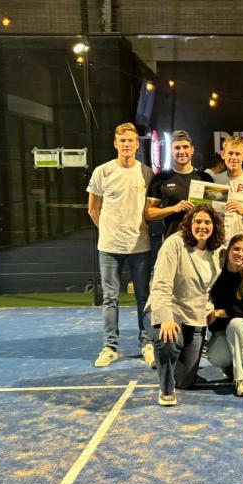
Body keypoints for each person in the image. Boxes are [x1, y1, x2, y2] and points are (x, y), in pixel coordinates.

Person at [87, 122, 154, 368]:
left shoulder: (146, 173)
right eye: (122, 141)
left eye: (131, 141)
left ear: (137, 144)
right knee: (110, 299)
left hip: (140, 246)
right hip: (109, 247)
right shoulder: (102, 172)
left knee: (143, 298)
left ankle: (146, 344)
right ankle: (110, 347)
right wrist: (107, 231)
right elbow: (93, 209)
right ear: (116, 144)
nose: (127, 145)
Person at [146, 204, 225, 406]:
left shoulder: (216, 249)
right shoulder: (175, 243)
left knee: (185, 381)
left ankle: (167, 359)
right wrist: (165, 319)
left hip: (195, 316)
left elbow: (239, 257)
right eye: (197, 221)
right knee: (168, 341)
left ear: (214, 226)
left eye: (207, 222)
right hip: (170, 307)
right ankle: (166, 390)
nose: (202, 226)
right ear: (189, 224)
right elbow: (161, 284)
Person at [205, 234, 243, 396]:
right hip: (225, 326)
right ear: (229, 250)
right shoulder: (217, 273)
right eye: (236, 249)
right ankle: (231, 364)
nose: (240, 253)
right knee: (217, 357)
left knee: (237, 324)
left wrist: (220, 312)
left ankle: (242, 379)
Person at [145, 130, 213, 240]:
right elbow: (149, 213)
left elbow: (214, 211)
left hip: (200, 242)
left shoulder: (205, 178)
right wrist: (173, 208)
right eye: (177, 148)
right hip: (172, 242)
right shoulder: (161, 179)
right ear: (171, 151)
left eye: (185, 147)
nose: (181, 151)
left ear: (192, 150)